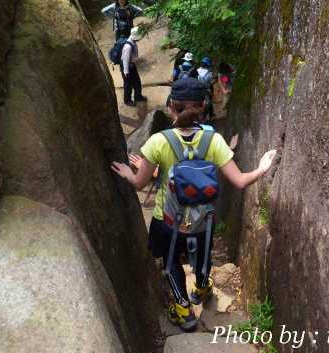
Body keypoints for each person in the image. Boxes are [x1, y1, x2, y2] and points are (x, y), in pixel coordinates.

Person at [112, 78, 276, 331]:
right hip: (203, 222)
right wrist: (262, 169)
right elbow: (241, 181)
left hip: (167, 221)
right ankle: (201, 287)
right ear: (202, 106)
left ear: (170, 107)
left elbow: (139, 183)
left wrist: (127, 173)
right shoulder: (214, 141)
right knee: (201, 258)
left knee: (170, 263)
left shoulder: (158, 142)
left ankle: (183, 310)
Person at [121, 27, 148, 106]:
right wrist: (126, 71)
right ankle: (127, 100)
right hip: (127, 67)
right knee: (128, 85)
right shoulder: (128, 47)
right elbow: (125, 60)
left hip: (132, 65)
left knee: (137, 82)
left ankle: (138, 96)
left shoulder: (133, 42)